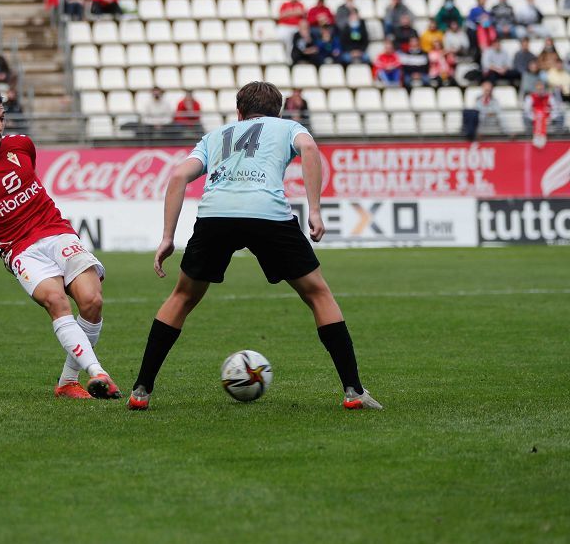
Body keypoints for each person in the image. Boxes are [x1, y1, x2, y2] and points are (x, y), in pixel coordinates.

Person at [125, 81, 381, 412]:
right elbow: (311, 150)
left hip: (216, 214)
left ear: (239, 111)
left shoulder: (215, 136)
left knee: (182, 297)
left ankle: (141, 390)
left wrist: (167, 238)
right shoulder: (288, 127)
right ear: (278, 111)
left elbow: (177, 177)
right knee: (318, 294)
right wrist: (314, 210)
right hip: (268, 213)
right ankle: (353, 391)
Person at [0, 88, 121, 400]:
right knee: (56, 301)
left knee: (92, 302)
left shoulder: (21, 145)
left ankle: (67, 383)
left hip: (57, 231)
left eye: (2, 118)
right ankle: (98, 372)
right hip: (19, 248)